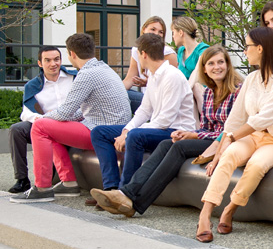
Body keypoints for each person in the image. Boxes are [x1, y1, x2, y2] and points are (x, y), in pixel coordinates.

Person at [89, 45, 242, 217]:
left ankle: (134, 201)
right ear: (205, 70)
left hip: (228, 141)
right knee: (165, 144)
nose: (217, 67)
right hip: (209, 139)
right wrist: (190, 134)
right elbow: (207, 127)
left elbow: (231, 129)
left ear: (228, 65)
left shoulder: (238, 91)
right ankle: (126, 193)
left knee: (178, 148)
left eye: (221, 62)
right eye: (211, 64)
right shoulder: (208, 93)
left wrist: (193, 135)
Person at [195, 26, 273, 243]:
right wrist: (218, 151)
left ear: (260, 48)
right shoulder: (251, 79)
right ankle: (205, 215)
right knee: (229, 156)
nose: (245, 51)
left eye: (247, 46)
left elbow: (264, 118)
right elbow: (235, 119)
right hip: (252, 137)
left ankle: (231, 209)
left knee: (258, 164)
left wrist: (233, 137)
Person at [10, 33, 132, 203]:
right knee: (51, 126)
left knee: (41, 127)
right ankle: (68, 183)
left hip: (100, 131)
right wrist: (51, 119)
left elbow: (65, 112)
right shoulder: (104, 68)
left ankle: (42, 188)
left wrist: (43, 119)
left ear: (72, 54)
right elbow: (79, 112)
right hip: (115, 128)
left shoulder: (86, 74)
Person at [90, 33, 196, 191]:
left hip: (176, 131)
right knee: (99, 132)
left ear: (143, 54)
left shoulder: (172, 76)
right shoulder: (153, 76)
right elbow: (144, 110)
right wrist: (126, 129)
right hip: (158, 128)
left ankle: (124, 191)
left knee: (135, 136)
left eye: (138, 54)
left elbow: (165, 121)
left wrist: (130, 133)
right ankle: (110, 188)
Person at [7, 46, 76, 194]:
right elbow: (26, 113)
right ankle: (22, 179)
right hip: (44, 125)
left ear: (61, 60)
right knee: (17, 129)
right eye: (48, 60)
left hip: (72, 124)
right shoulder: (33, 85)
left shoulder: (74, 78)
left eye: (56, 59)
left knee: (51, 179)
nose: (53, 64)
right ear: (40, 63)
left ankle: (50, 179)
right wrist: (45, 118)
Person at [123, 16, 179, 112]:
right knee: (120, 92)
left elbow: (173, 86)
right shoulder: (137, 51)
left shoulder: (168, 53)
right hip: (146, 98)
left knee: (126, 95)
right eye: (153, 29)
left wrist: (150, 82)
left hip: (160, 102)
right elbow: (129, 80)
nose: (156, 34)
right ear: (144, 29)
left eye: (161, 32)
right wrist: (113, 90)